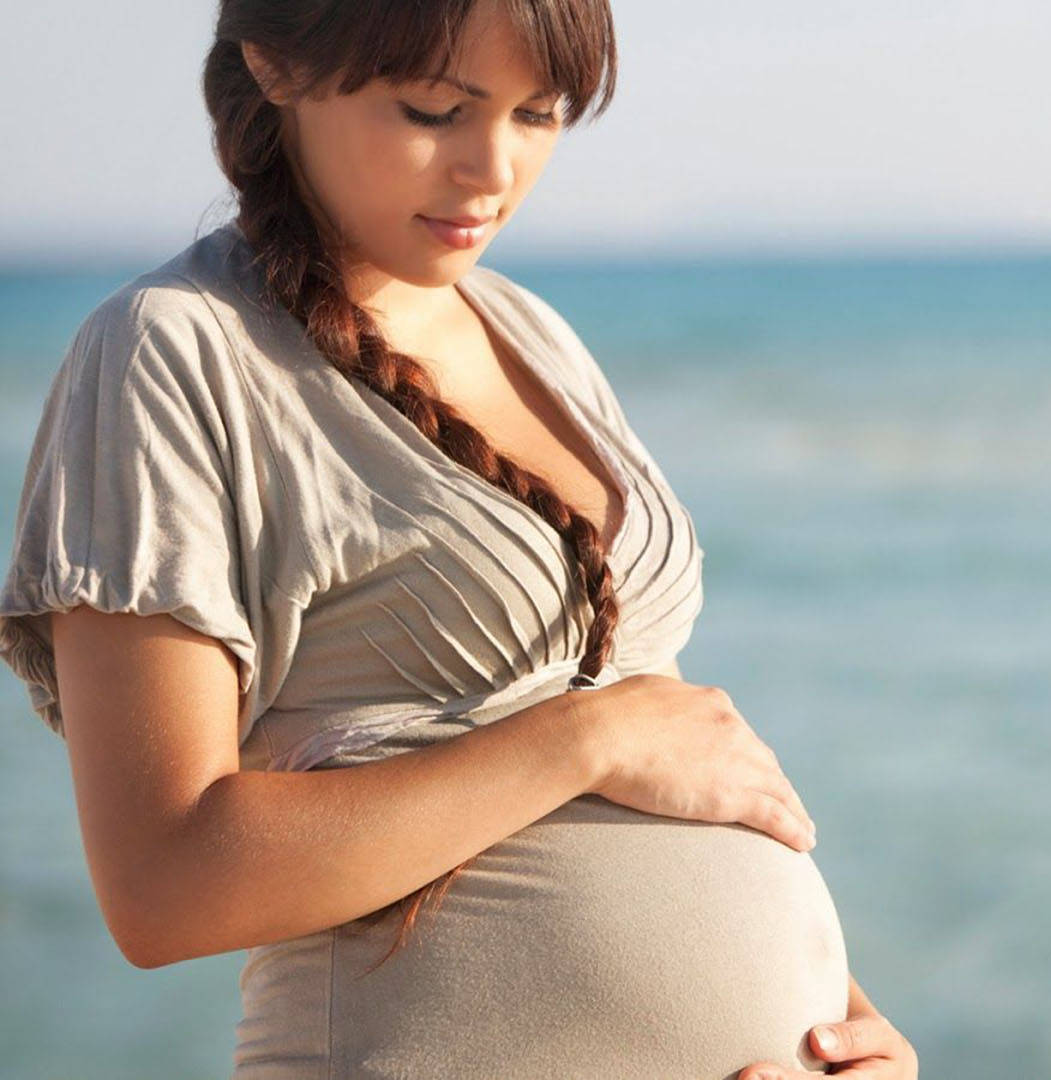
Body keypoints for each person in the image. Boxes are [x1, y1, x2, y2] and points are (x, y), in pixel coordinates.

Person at [0, 1, 918, 1077]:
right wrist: (584, 741)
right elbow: (161, 887)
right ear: (277, 63)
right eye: (436, 109)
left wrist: (847, 1027)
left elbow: (674, 745)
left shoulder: (532, 335)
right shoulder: (170, 354)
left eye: (538, 113)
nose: (493, 170)